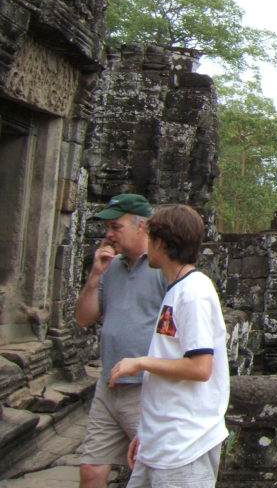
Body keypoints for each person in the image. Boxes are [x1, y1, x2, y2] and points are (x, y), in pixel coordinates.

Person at [108, 204, 229, 488]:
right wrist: (147, 432)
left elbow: (200, 367)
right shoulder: (176, 288)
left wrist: (139, 362)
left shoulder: (194, 293)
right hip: (161, 440)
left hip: (185, 444)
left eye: (150, 240)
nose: (147, 247)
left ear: (160, 243)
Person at [75, 194, 166, 488]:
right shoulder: (110, 267)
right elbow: (84, 318)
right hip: (108, 384)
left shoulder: (163, 269)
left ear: (142, 227)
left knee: (150, 470)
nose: (109, 235)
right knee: (91, 469)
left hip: (145, 388)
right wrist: (95, 275)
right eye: (108, 228)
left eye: (116, 227)